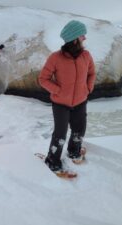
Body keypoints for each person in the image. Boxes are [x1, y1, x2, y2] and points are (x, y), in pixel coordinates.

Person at [38, 20, 96, 172]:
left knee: (79, 129)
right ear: (75, 38)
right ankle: (53, 160)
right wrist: (57, 90)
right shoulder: (55, 58)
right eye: (82, 35)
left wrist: (88, 88)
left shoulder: (86, 55)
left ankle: (74, 151)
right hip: (60, 104)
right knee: (60, 134)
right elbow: (43, 79)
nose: (85, 38)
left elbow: (91, 73)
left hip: (80, 101)